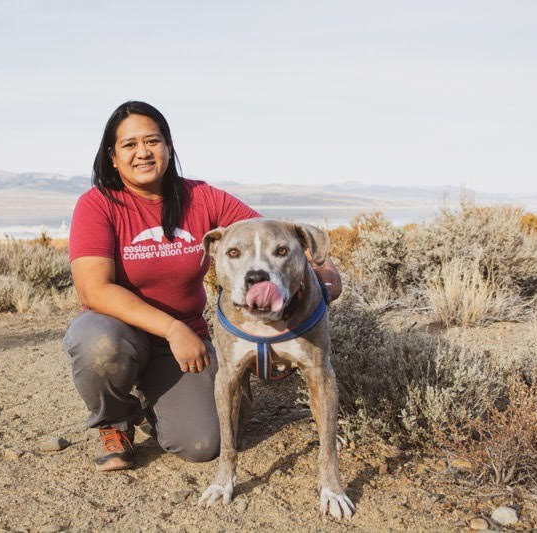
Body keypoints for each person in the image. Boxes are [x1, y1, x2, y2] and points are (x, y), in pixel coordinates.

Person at [61, 101, 342, 471]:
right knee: (97, 343)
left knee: (202, 443)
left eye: (153, 141)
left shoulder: (201, 197)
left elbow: (271, 235)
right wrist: (172, 328)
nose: (143, 152)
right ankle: (116, 421)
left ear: (169, 146)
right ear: (112, 157)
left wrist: (322, 264)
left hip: (181, 347)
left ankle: (158, 398)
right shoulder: (98, 205)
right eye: (129, 145)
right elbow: (93, 291)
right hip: (123, 332)